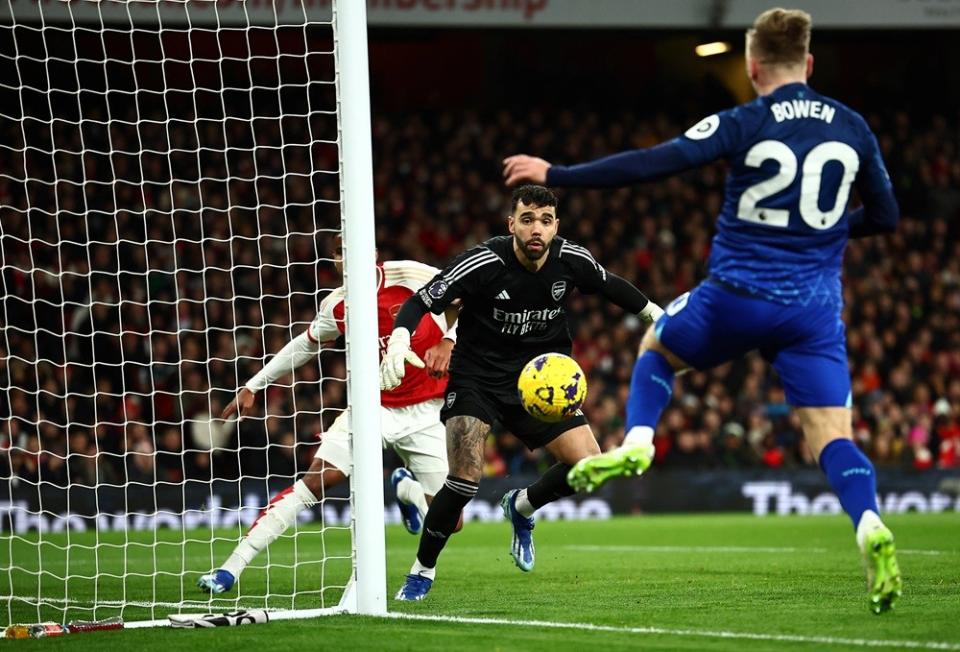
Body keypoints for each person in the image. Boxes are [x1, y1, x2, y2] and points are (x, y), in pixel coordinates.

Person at [502, 8, 902, 614]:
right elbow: (887, 216)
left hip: (738, 294)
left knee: (656, 348)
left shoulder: (747, 118)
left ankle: (638, 439)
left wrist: (557, 173)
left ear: (752, 66)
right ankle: (868, 520)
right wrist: (828, 234)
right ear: (810, 64)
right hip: (814, 309)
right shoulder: (853, 127)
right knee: (831, 435)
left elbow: (654, 162)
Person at [382, 184, 662, 601]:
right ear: (511, 223)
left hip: (541, 381)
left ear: (556, 227)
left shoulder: (570, 259)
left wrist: (658, 317)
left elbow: (613, 286)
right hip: (477, 378)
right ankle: (422, 569)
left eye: (545, 221)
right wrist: (402, 337)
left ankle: (522, 507)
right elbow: (425, 299)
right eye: (527, 219)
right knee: (463, 481)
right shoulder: (483, 261)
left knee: (590, 466)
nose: (537, 229)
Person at [197, 247, 459, 594]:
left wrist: (448, 339)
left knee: (452, 522)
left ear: (373, 250)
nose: (346, 255)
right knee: (316, 481)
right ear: (333, 259)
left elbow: (467, 299)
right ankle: (231, 567)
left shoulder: (410, 276)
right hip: (370, 408)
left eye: (350, 246)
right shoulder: (337, 306)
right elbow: (303, 346)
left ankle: (404, 488)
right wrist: (254, 384)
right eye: (338, 250)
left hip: (426, 409)